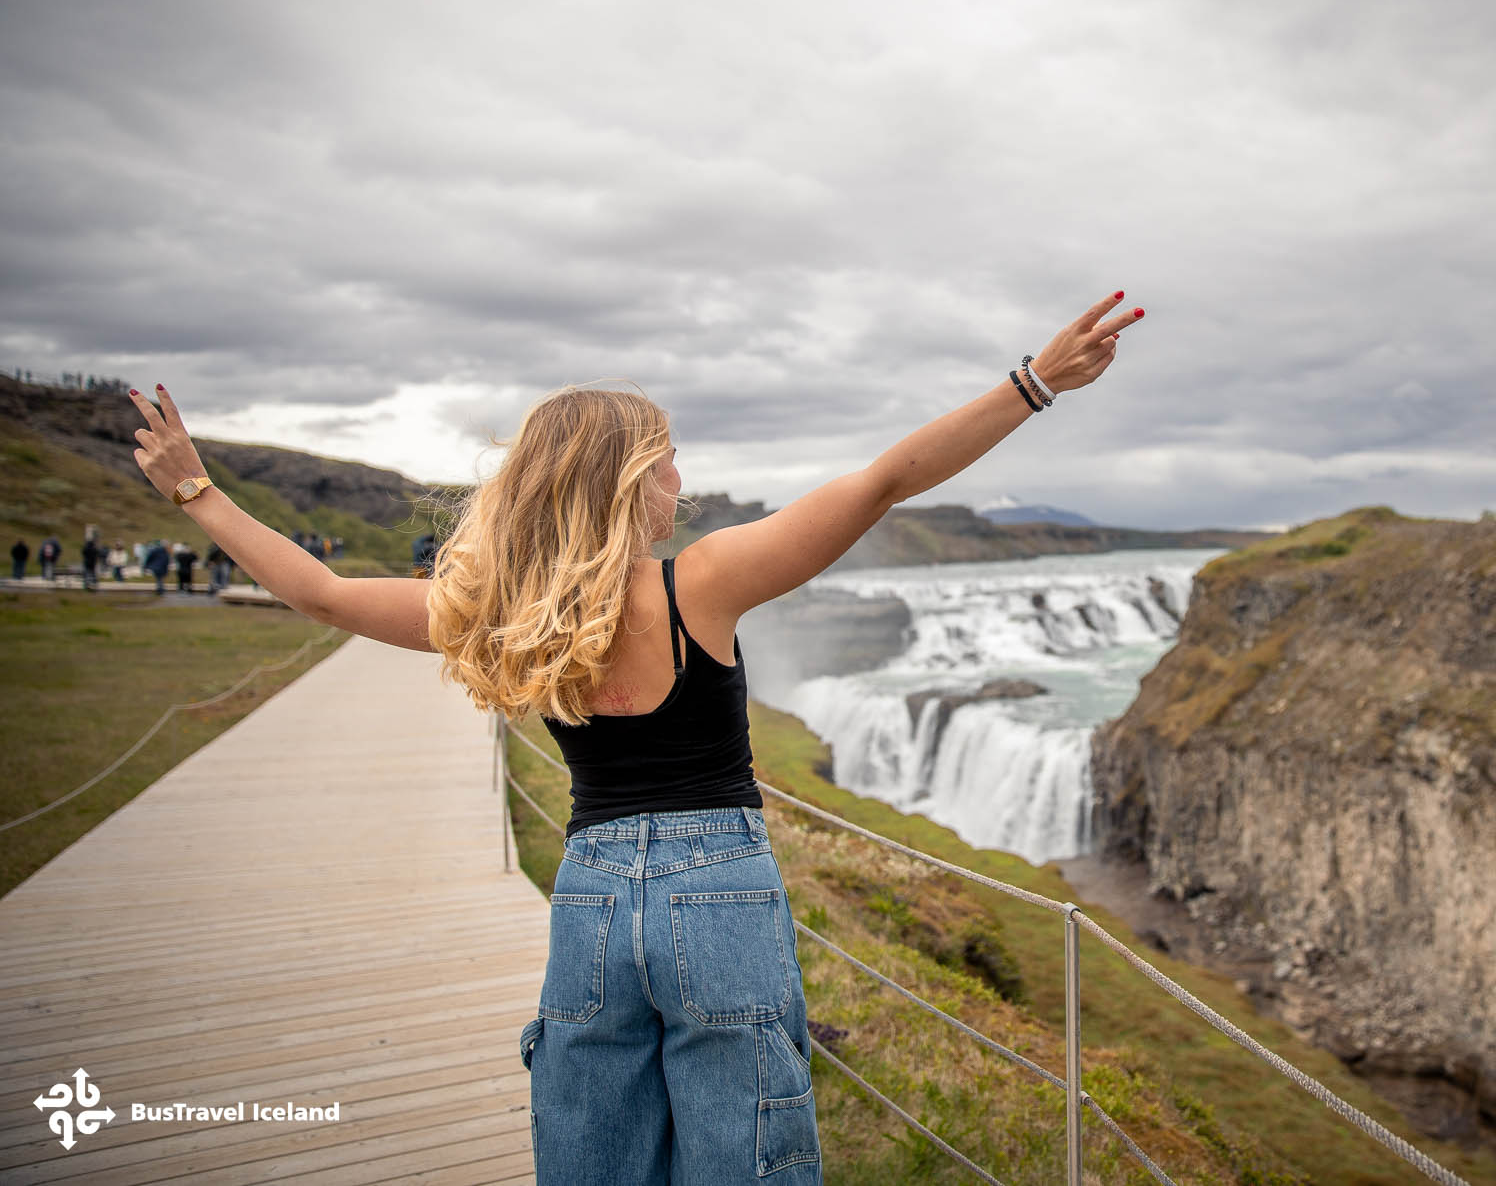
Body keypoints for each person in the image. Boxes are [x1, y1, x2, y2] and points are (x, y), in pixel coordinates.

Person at [117, 291, 1141, 1184]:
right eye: (666, 460)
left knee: (592, 1146)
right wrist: (1032, 384)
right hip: (722, 889)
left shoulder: (509, 611)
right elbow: (881, 483)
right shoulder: (702, 582)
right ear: (626, 479)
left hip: (593, 895)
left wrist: (196, 491)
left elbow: (323, 593)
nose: (680, 481)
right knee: (744, 1145)